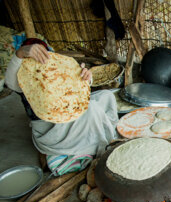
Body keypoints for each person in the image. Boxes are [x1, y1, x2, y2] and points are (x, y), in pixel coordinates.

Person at [5, 39, 119, 175]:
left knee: (106, 95)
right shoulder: (24, 76)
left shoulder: (56, 70)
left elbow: (77, 90)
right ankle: (92, 146)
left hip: (70, 110)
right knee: (92, 109)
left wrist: (87, 78)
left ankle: (99, 134)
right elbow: (9, 81)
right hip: (51, 129)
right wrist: (21, 52)